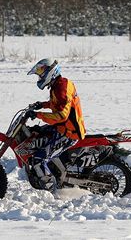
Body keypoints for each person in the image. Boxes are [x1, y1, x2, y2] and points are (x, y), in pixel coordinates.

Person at [26, 58, 86, 191]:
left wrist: (38, 115)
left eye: (41, 71)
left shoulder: (61, 88)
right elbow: (58, 104)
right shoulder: (59, 84)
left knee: (38, 159)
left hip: (69, 133)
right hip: (63, 128)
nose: (40, 75)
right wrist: (42, 105)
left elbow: (61, 115)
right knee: (38, 133)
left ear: (50, 71)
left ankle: (52, 191)